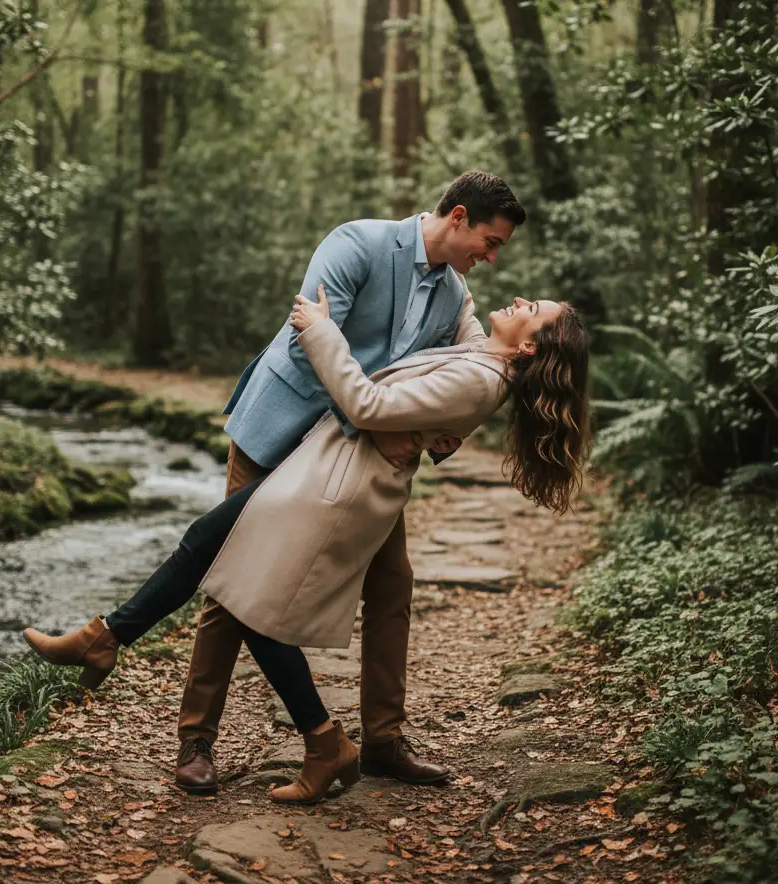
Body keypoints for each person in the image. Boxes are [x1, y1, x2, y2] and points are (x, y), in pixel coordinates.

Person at [23, 288, 591, 805]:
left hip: (335, 487)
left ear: (528, 352)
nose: (520, 299)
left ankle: (315, 737)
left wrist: (321, 328)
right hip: (321, 470)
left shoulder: (480, 380)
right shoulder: (480, 356)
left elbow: (367, 405)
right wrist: (444, 251)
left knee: (247, 602)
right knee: (208, 547)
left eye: (533, 310)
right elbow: (463, 316)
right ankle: (109, 639)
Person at [177, 169, 526, 794]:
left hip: (357, 462)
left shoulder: (455, 298)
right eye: (491, 241)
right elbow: (308, 338)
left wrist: (435, 433)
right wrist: (369, 422)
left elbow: (472, 373)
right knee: (232, 578)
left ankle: (385, 741)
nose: (493, 257)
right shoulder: (357, 243)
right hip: (279, 432)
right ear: (459, 217)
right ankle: (196, 741)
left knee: (394, 582)